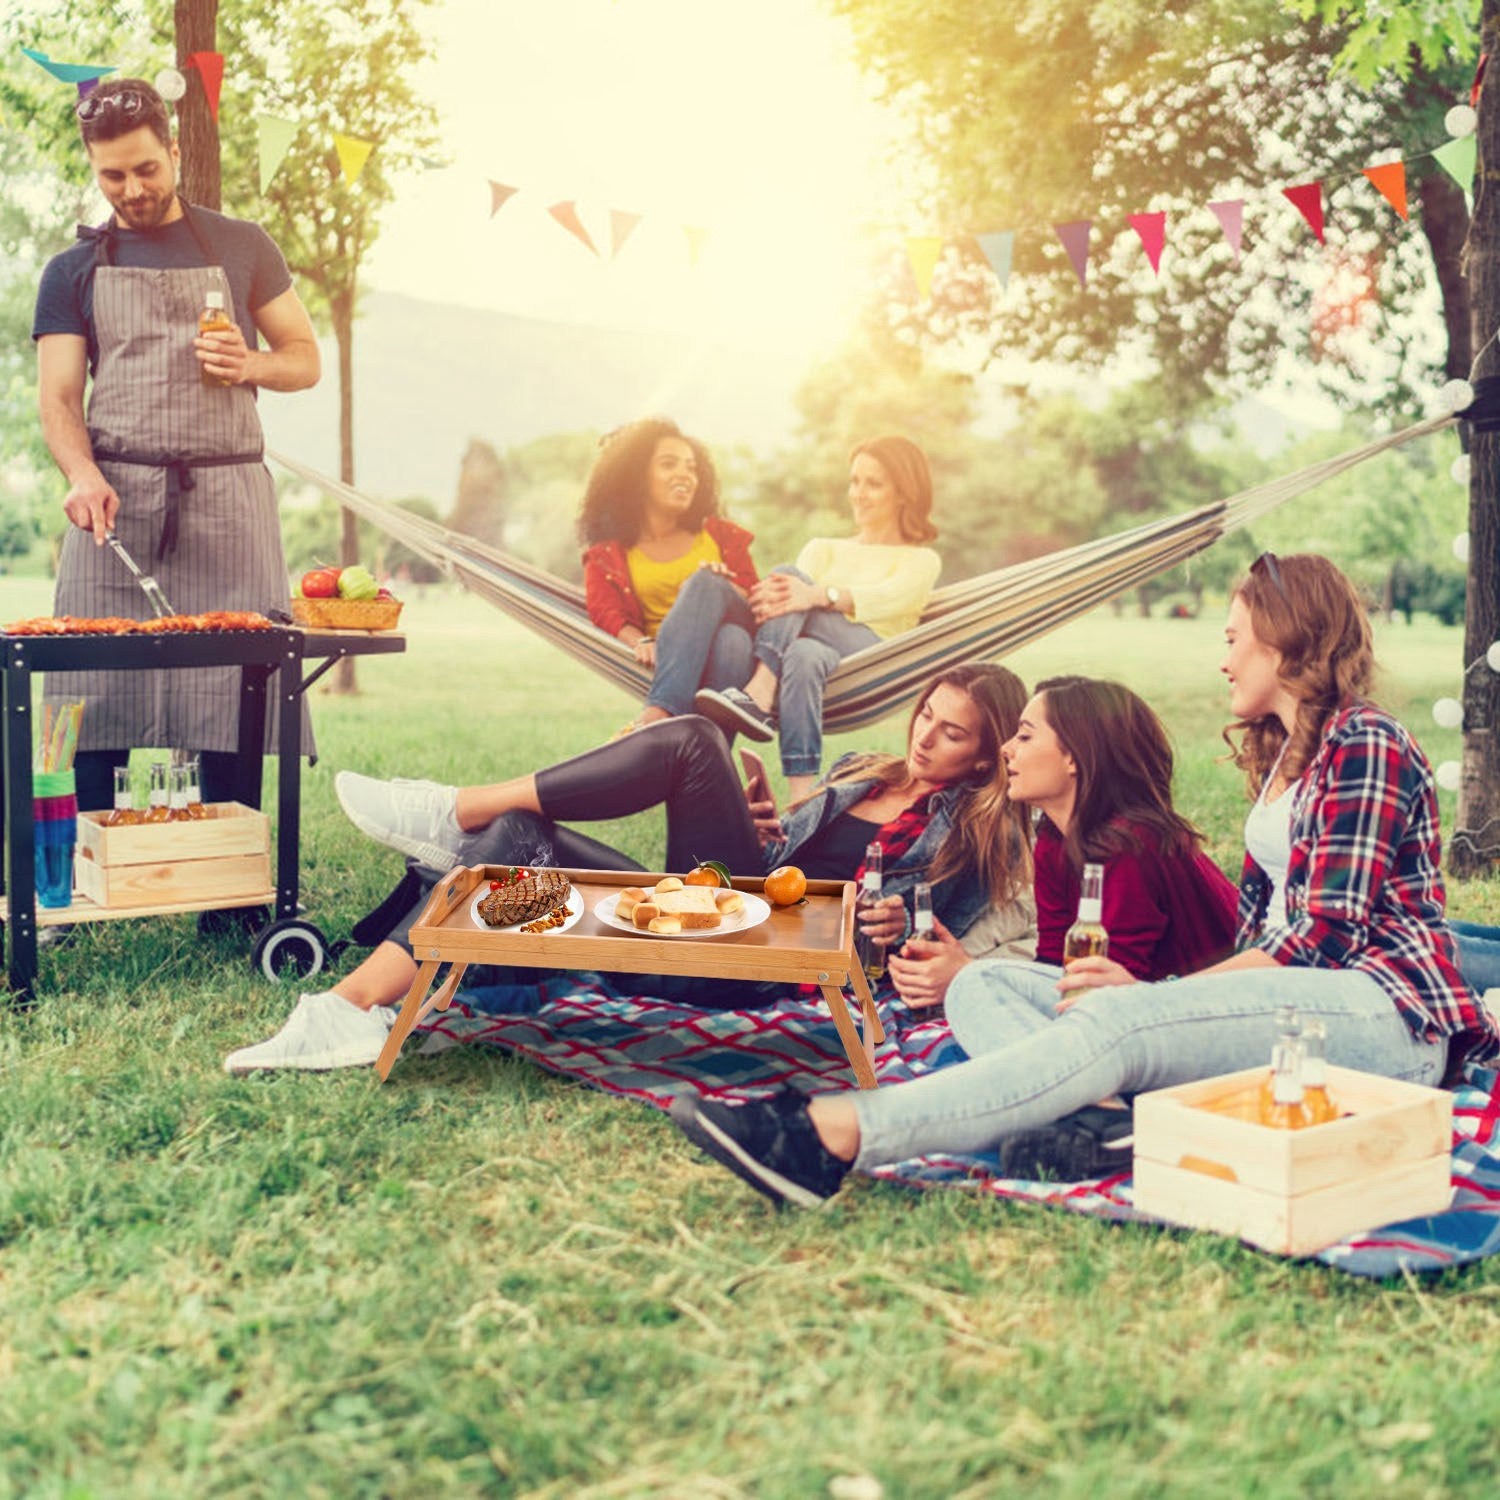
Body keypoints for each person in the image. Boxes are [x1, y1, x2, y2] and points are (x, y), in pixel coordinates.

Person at [668, 552, 1500, 1208]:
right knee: (985, 986)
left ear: (1283, 637)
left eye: (1233, 636)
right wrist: (1149, 1003)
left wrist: (1153, 1003)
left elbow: (1320, 942)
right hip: (1284, 1011)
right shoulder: (1285, 756)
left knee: (1117, 1019)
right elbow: (1263, 935)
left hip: (1379, 1017)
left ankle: (830, 1136)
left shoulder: (1367, 742)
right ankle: (1106, 1122)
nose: (1224, 659)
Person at [223, 663, 1036, 1073]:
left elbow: (918, 943)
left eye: (954, 732)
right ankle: (346, 1008)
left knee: (692, 742)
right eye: (927, 712)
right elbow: (787, 861)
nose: (926, 736)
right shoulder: (864, 770)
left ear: (984, 755)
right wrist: (765, 829)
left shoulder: (972, 833)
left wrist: (887, 929)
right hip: (727, 912)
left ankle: (448, 811)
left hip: (762, 966)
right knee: (520, 838)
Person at [32, 77, 320, 811]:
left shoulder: (243, 244)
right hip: (115, 509)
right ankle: (90, 881)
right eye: (112, 175)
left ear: (176, 151)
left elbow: (304, 357)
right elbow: (60, 399)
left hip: (227, 502)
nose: (131, 188)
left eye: (145, 168)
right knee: (89, 692)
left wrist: (253, 364)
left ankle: (232, 889)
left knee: (234, 693)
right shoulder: (71, 271)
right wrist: (80, 473)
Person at [887, 675, 1238, 1018]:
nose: (1006, 749)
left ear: (1073, 757)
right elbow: (1054, 968)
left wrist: (968, 976)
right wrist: (969, 973)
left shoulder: (1132, 845)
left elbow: (1104, 1003)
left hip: (1213, 1014)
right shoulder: (1054, 843)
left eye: (1024, 736)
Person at [694, 436, 942, 800]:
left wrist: (818, 595)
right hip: (813, 657)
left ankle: (760, 690)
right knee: (802, 652)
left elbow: (888, 600)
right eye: (855, 481)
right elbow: (787, 609)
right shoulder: (822, 548)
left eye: (874, 483)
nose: (859, 493)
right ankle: (801, 797)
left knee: (789, 579)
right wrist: (783, 594)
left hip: (872, 656)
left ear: (903, 492)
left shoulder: (920, 560)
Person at [579, 417, 759, 736]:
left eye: (691, 467)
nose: (685, 475)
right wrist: (639, 640)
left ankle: (658, 714)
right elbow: (604, 609)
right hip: (681, 660)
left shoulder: (722, 536)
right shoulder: (609, 555)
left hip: (740, 638)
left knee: (708, 586)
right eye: (668, 464)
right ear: (638, 476)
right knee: (730, 642)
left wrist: (720, 585)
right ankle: (703, 765)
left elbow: (757, 602)